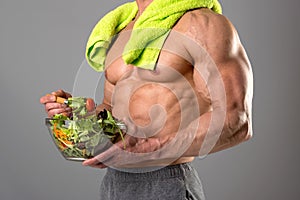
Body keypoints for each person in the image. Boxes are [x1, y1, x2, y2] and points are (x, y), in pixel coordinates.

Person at [40, 0, 253, 199]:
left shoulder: (202, 24)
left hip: (167, 181)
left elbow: (236, 119)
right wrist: (80, 116)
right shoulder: (120, 29)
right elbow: (112, 114)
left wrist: (150, 148)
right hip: (114, 183)